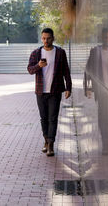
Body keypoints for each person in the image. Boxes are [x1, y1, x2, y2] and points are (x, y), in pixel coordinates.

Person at [28, 28, 72, 156]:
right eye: (43, 38)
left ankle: (51, 144)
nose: (46, 40)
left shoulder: (60, 53)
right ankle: (46, 141)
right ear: (41, 38)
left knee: (53, 118)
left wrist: (68, 87)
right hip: (40, 91)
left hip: (55, 91)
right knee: (44, 118)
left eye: (48, 38)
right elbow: (30, 70)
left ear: (53, 38)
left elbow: (66, 71)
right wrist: (38, 66)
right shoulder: (36, 53)